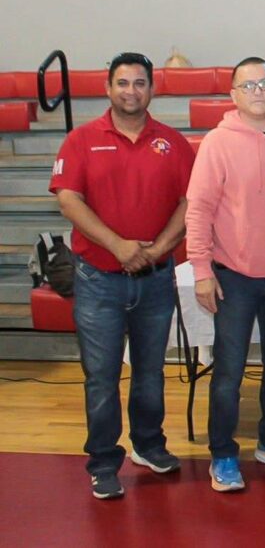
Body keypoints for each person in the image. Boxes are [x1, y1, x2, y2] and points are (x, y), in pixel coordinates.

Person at [50, 52, 193, 499]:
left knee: (150, 372)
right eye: (123, 83)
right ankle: (103, 462)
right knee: (101, 377)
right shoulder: (81, 140)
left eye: (140, 83)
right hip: (99, 280)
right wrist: (119, 246)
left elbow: (191, 202)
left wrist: (158, 249)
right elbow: (68, 199)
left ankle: (149, 446)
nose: (131, 91)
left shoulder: (173, 142)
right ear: (108, 88)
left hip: (156, 278)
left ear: (152, 89)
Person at [185, 56, 265, 492]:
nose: (258, 92)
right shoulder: (217, 142)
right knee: (229, 371)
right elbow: (199, 210)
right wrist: (201, 269)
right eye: (248, 85)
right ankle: (223, 452)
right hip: (234, 277)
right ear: (233, 94)